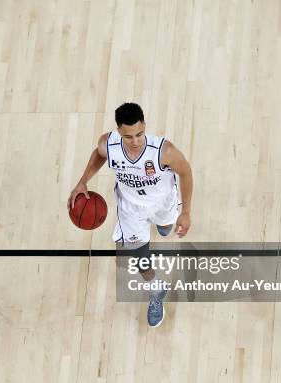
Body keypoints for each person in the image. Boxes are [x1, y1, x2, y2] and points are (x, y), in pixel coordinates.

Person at [67, 102, 193, 327]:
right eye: (128, 137)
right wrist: (82, 182)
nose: (135, 141)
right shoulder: (109, 144)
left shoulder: (164, 152)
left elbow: (185, 172)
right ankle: (156, 289)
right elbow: (99, 155)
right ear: (118, 131)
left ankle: (164, 224)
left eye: (139, 134)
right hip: (130, 208)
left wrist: (186, 212)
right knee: (138, 255)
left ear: (144, 126)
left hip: (162, 202)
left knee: (165, 228)